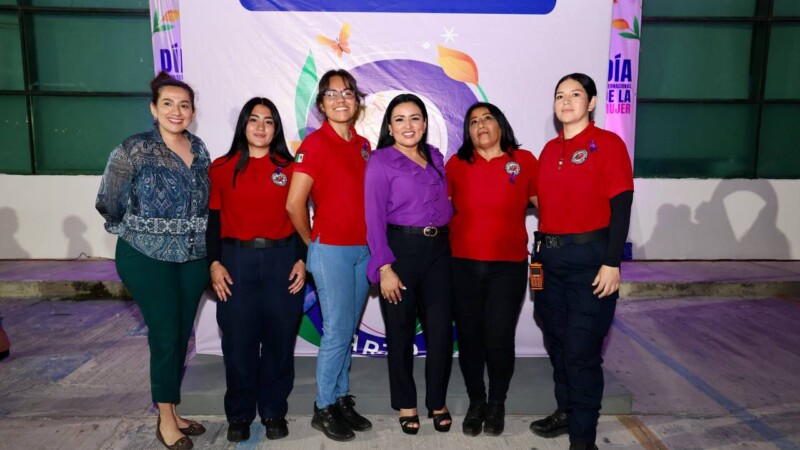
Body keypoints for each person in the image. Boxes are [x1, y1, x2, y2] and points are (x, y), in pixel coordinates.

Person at [96, 71, 211, 450]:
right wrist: (141, 229)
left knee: (181, 334)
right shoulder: (132, 149)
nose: (176, 111)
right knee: (164, 334)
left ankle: (172, 408)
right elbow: (108, 202)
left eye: (183, 105)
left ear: (192, 112)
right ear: (153, 108)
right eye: (168, 104)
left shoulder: (201, 149)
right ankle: (165, 420)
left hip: (193, 255)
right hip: (145, 256)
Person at [529, 73, 633, 450]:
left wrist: (612, 261)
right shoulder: (548, 151)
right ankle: (566, 411)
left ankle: (583, 438)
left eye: (575, 94)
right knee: (557, 343)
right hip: (548, 259)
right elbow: (540, 201)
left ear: (591, 103)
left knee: (581, 351)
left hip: (591, 262)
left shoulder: (608, 144)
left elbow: (621, 206)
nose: (566, 101)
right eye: (560, 95)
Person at [206, 97, 306, 442]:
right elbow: (213, 222)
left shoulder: (291, 168)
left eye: (268, 121)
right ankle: (239, 414)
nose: (260, 127)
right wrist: (214, 264)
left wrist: (303, 259)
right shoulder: (221, 167)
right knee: (238, 344)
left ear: (276, 128)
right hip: (235, 263)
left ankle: (275, 411)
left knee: (280, 342)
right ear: (243, 126)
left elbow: (304, 219)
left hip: (282, 261)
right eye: (253, 120)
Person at [285, 69, 372, 442]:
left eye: (348, 93)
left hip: (363, 252)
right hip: (330, 250)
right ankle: (323, 407)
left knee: (347, 330)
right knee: (336, 331)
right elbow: (293, 204)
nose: (341, 99)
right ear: (321, 104)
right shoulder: (314, 145)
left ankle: (340, 398)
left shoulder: (364, 144)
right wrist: (313, 243)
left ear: (357, 101)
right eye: (332, 94)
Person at [446, 102, 539, 437]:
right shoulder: (455, 164)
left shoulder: (524, 161)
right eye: (473, 121)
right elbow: (438, 211)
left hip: (508, 267)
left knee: (499, 338)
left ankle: (497, 403)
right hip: (462, 266)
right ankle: (477, 402)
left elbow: (548, 205)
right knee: (470, 339)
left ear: (500, 124)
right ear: (467, 131)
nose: (480, 125)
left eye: (487, 118)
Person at [364, 94, 454, 435]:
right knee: (400, 333)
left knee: (441, 332)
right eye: (399, 119)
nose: (408, 125)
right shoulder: (380, 161)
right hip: (400, 251)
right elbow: (373, 218)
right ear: (389, 126)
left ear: (425, 124)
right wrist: (385, 268)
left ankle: (437, 401)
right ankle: (406, 403)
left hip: (439, 253)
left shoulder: (435, 156)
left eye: (414, 118)